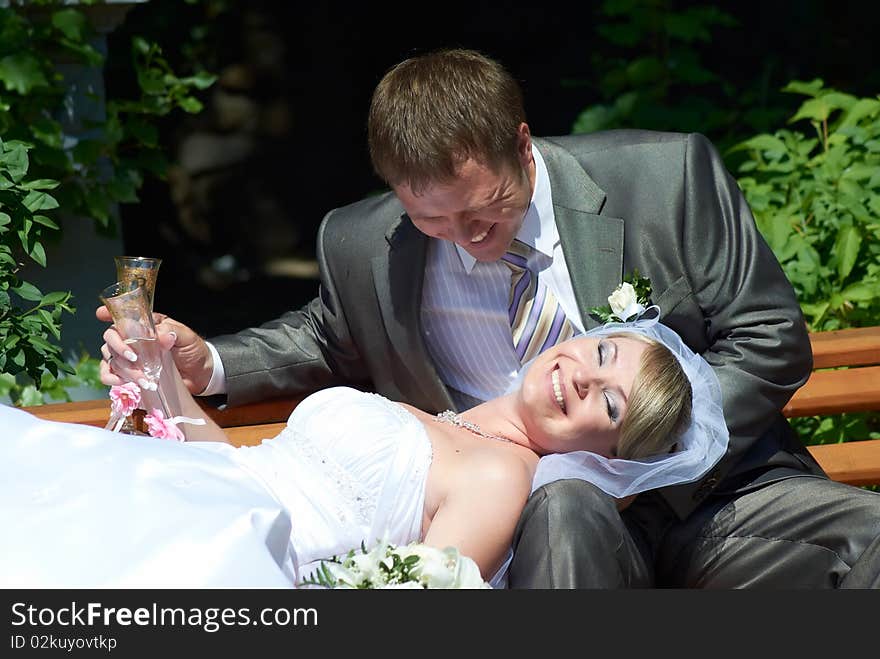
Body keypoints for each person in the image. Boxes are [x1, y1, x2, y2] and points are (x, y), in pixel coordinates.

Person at [99, 48, 880, 588]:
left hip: (717, 496)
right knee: (564, 504)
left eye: (486, 210)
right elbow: (324, 336)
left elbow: (771, 340)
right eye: (433, 220)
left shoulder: (665, 176)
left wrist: (649, 453)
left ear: (521, 142)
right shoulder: (363, 241)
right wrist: (209, 365)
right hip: (547, 516)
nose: (469, 238)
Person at [0, 320, 726, 588]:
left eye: (610, 401)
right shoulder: (429, 413)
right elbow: (239, 472)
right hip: (211, 498)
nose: (583, 374)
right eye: (602, 351)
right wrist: (160, 380)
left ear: (610, 453)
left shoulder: (503, 473)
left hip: (240, 559)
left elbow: (407, 596)